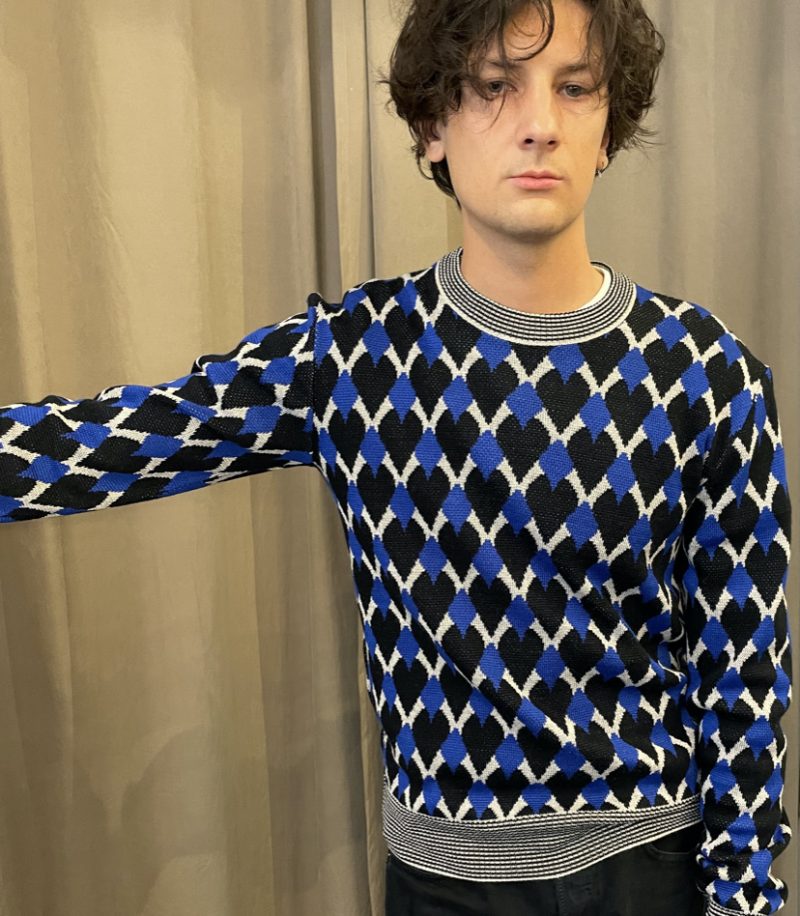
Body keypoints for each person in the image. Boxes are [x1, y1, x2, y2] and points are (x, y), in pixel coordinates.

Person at [0, 0, 792, 913]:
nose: (540, 124)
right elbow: (126, 440)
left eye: (575, 89)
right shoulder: (355, 356)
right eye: (494, 86)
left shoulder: (705, 372)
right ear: (431, 127)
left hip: (646, 870)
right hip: (439, 883)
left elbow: (745, 673)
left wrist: (743, 897)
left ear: (609, 129)